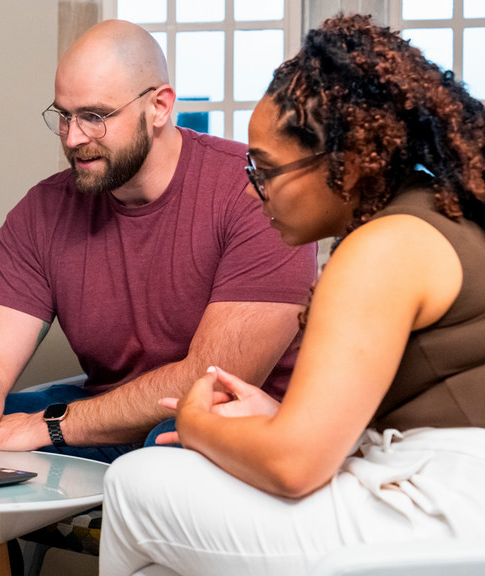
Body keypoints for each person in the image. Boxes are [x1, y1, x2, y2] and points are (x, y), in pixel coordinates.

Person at [99, 13, 485, 575]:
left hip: (438, 514)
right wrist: (280, 415)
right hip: (451, 499)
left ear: (347, 164)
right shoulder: (443, 215)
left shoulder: (380, 249)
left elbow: (295, 466)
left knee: (135, 484)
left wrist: (196, 422)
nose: (256, 191)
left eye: (266, 169)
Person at [0, 19, 318, 466]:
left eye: (95, 117)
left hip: (215, 420)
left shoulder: (253, 192)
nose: (74, 138)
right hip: (100, 415)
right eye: (64, 115)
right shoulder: (42, 211)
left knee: (169, 448)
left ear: (159, 106)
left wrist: (47, 426)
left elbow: (207, 381)